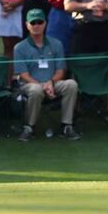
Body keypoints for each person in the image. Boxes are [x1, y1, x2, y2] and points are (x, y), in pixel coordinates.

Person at [13, 8, 81, 141]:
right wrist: (42, 85)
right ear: (27, 25)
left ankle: (67, 125)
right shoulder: (19, 48)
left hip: (52, 83)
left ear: (45, 23)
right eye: (33, 23)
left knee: (71, 84)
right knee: (36, 89)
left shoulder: (56, 44)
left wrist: (50, 82)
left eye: (40, 22)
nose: (37, 26)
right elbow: (23, 74)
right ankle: (29, 127)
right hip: (30, 84)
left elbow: (61, 70)